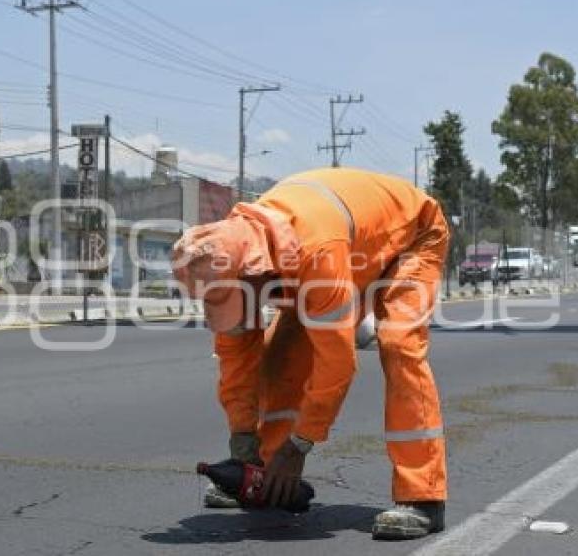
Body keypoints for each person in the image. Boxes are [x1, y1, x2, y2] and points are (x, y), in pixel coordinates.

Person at [171, 168, 449, 540]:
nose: (244, 311)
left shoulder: (315, 253)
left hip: (411, 237)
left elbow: (336, 364)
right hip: (351, 245)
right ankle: (268, 476)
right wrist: (243, 441)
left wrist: (300, 444)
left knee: (399, 345)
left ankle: (424, 497)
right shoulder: (236, 253)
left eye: (241, 299)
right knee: (280, 353)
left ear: (254, 272)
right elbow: (237, 357)